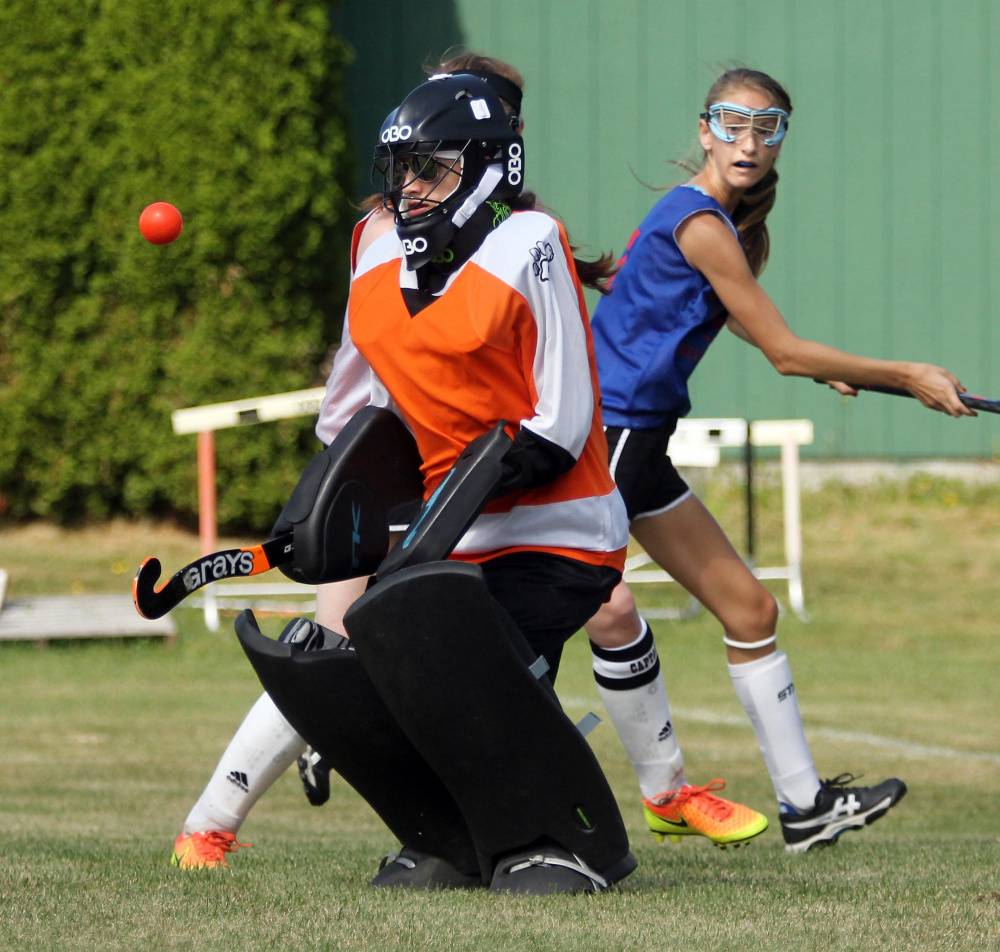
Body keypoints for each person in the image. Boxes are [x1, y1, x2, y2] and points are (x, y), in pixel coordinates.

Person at [245, 70, 636, 892]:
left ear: (493, 167)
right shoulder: (374, 244)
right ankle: (451, 837)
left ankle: (562, 844)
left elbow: (560, 422)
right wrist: (338, 500)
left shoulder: (530, 243)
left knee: (471, 667)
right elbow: (353, 404)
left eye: (434, 169)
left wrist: (468, 487)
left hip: (556, 526)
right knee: (392, 674)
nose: (411, 189)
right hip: (443, 526)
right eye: (404, 170)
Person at [584, 66, 974, 853]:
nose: (749, 141)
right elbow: (785, 353)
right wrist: (910, 377)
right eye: (732, 123)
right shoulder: (699, 222)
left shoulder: (707, 225)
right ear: (705, 130)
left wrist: (825, 363)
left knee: (751, 612)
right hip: (613, 438)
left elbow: (708, 310)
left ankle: (805, 809)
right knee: (554, 614)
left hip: (644, 441)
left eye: (768, 128)